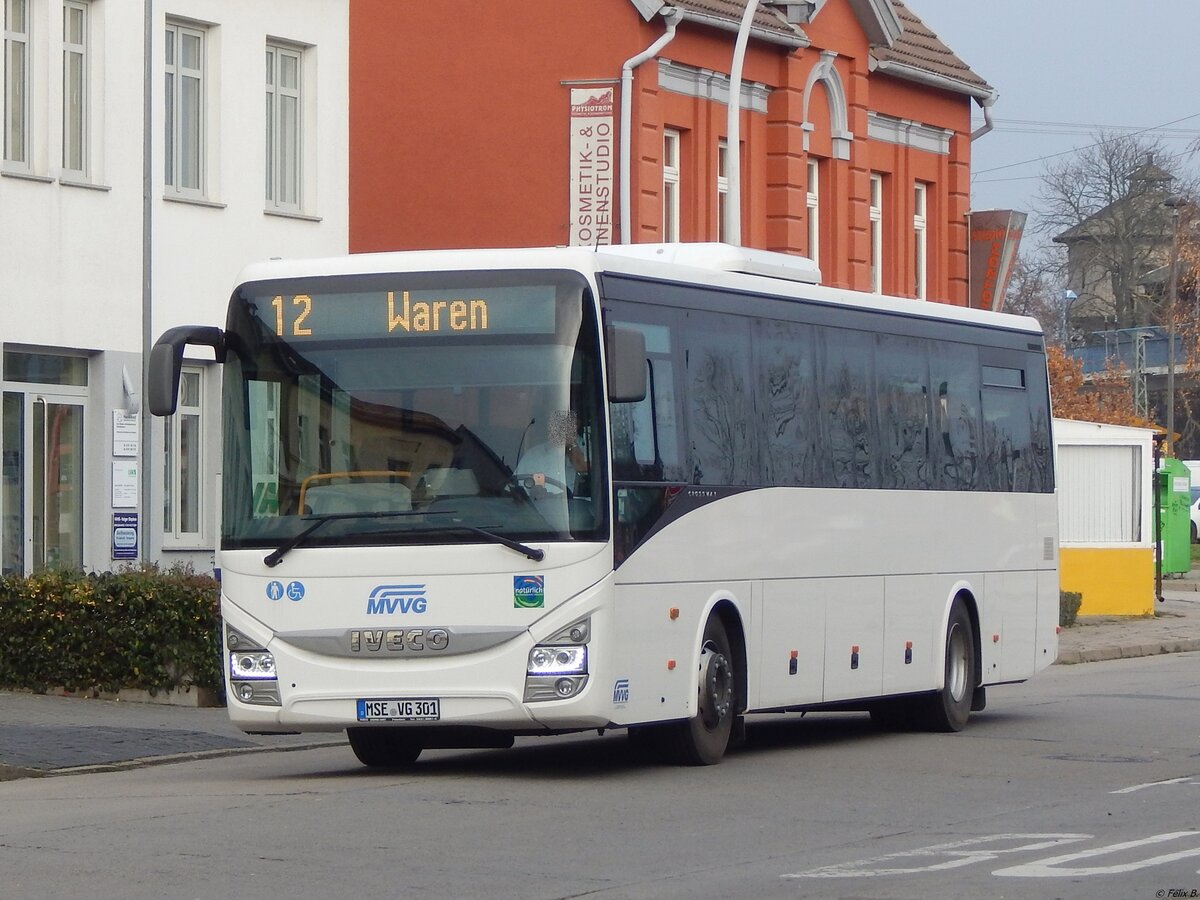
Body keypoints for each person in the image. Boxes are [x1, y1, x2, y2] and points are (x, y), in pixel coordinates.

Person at [516, 410, 589, 494]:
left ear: (577, 424)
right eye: (558, 422)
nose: (562, 427)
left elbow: (583, 468)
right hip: (538, 505)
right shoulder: (534, 454)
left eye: (567, 423)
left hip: (579, 505)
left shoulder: (590, 447)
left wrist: (571, 445)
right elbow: (516, 492)